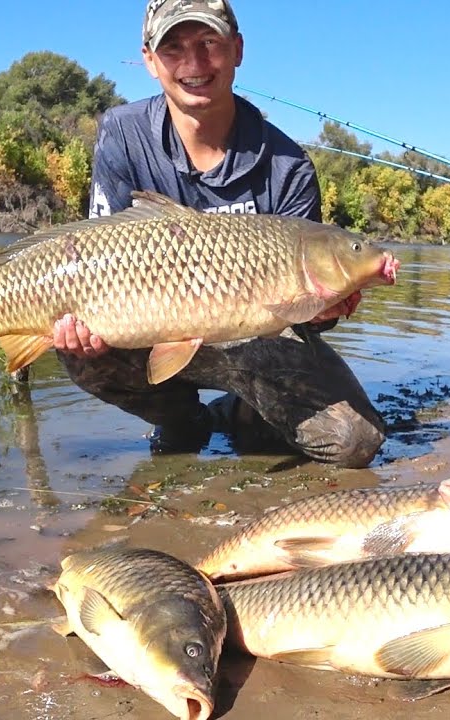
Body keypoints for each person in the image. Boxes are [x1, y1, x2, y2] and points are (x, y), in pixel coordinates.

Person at [49, 0, 386, 468]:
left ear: (237, 49)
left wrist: (326, 310)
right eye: (173, 48)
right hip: (147, 323)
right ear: (150, 60)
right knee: (78, 347)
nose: (194, 63)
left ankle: (244, 411)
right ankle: (181, 420)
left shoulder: (289, 166)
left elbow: (303, 320)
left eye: (209, 43)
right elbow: (97, 242)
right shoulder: (122, 133)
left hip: (257, 341)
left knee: (355, 441)